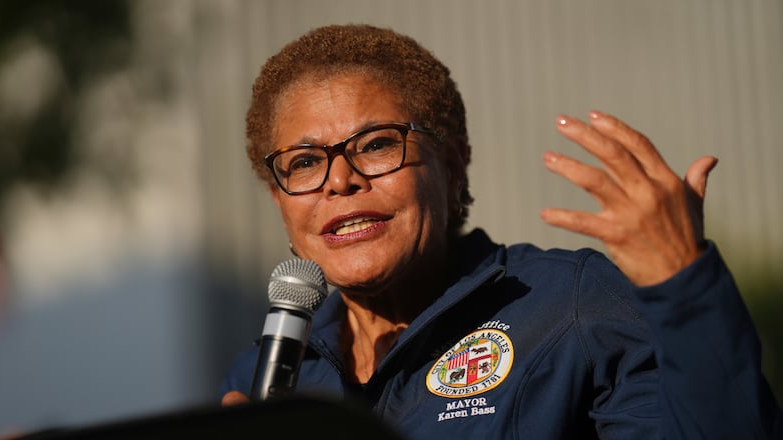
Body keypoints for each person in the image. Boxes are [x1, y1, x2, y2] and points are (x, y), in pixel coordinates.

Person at [219, 24, 781, 439]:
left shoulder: (570, 306)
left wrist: (685, 289)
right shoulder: (267, 377)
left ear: (452, 165)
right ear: (279, 199)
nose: (340, 180)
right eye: (304, 163)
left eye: (377, 144)